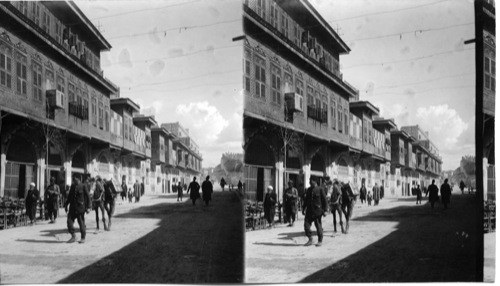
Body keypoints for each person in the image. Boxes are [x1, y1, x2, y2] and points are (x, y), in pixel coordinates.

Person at [65, 175, 91, 243]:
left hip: (80, 208)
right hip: (72, 208)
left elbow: (88, 197)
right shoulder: (73, 186)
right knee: (69, 222)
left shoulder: (83, 186)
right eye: (73, 179)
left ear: (79, 179)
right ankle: (73, 236)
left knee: (81, 223)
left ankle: (83, 237)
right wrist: (66, 205)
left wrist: (89, 207)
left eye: (75, 179)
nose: (74, 180)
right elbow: (70, 196)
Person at [303, 178, 327, 246]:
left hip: (317, 211)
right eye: (310, 181)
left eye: (311, 181)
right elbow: (306, 200)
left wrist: (325, 210)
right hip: (309, 211)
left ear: (315, 181)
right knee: (306, 226)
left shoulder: (320, 189)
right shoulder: (309, 190)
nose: (310, 182)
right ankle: (310, 239)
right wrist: (303, 208)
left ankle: (320, 240)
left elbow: (325, 200)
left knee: (318, 226)